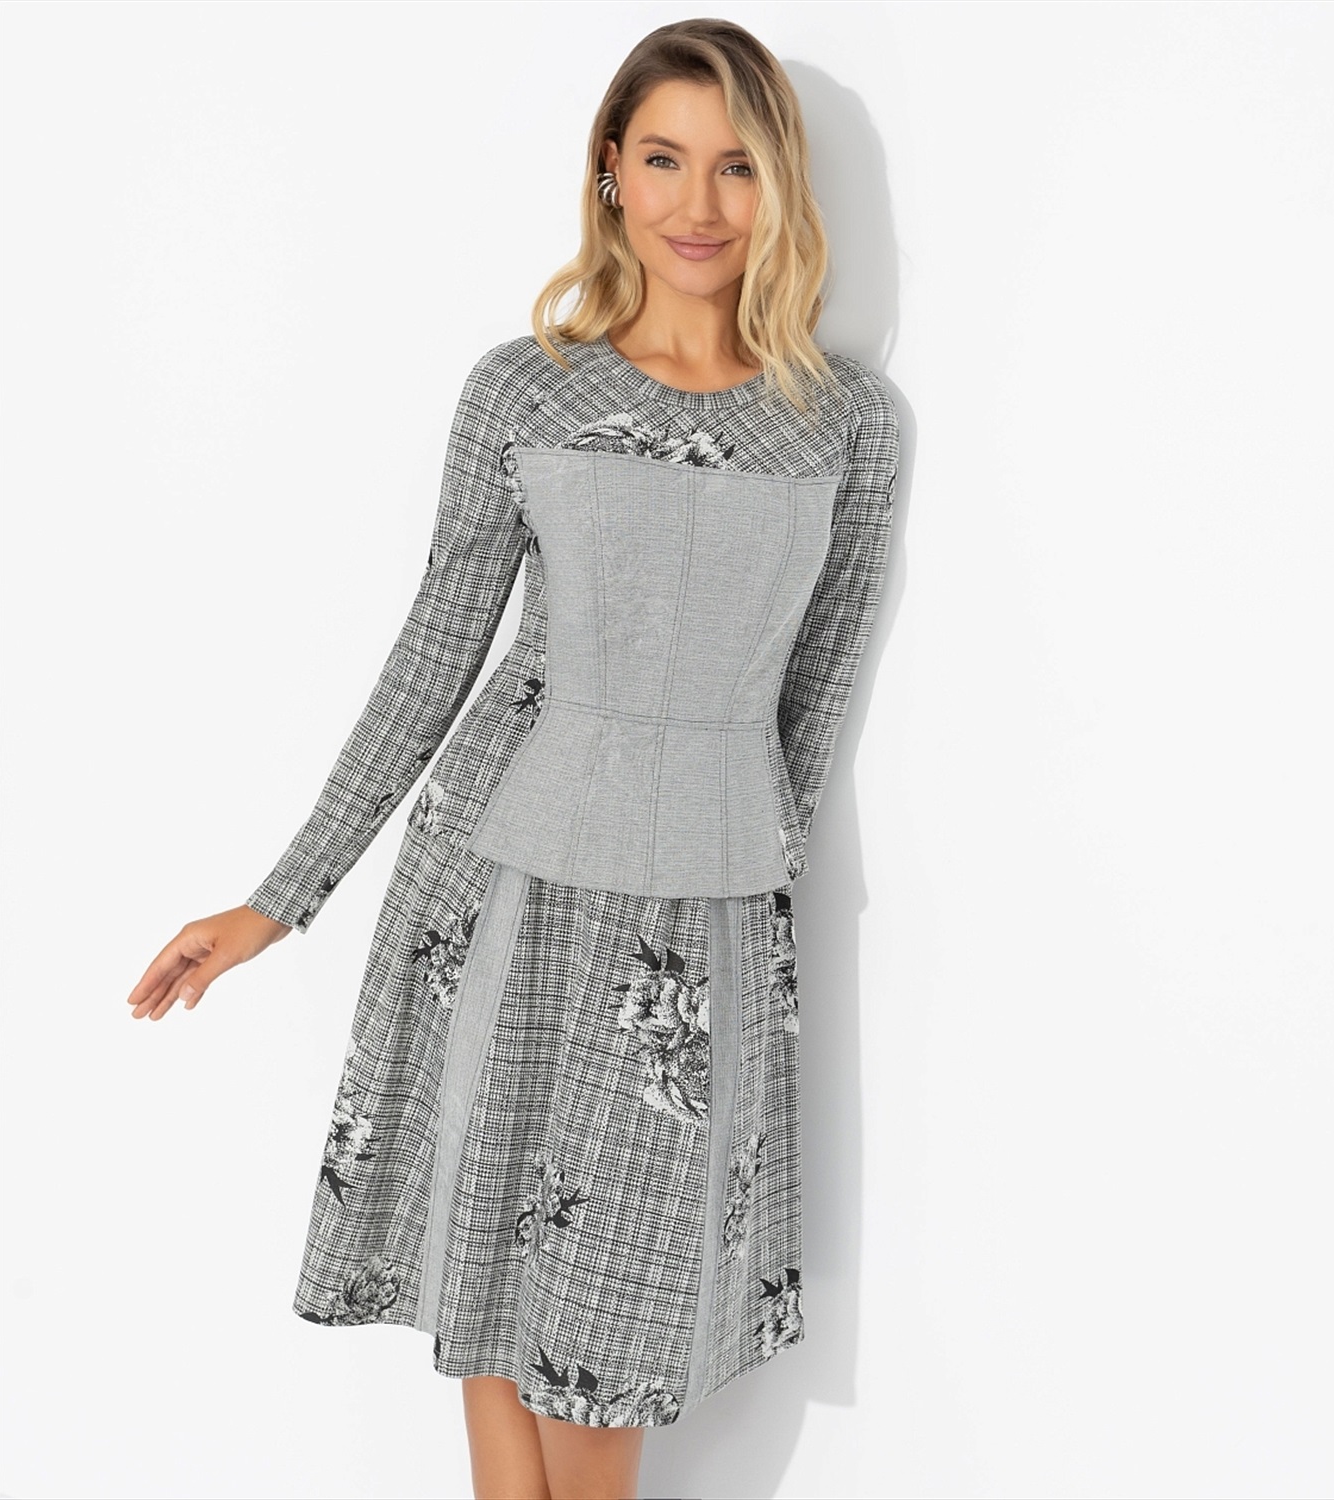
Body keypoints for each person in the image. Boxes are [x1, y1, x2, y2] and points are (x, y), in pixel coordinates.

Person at [125, 17, 901, 1500]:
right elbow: (438, 652)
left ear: (781, 186)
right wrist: (280, 900)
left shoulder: (841, 426)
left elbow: (813, 700)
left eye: (737, 166)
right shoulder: (525, 391)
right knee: (480, 1274)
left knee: (608, 1360)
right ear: (609, 170)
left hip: (697, 930)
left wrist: (749, 891)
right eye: (663, 159)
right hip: (497, 885)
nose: (698, 204)